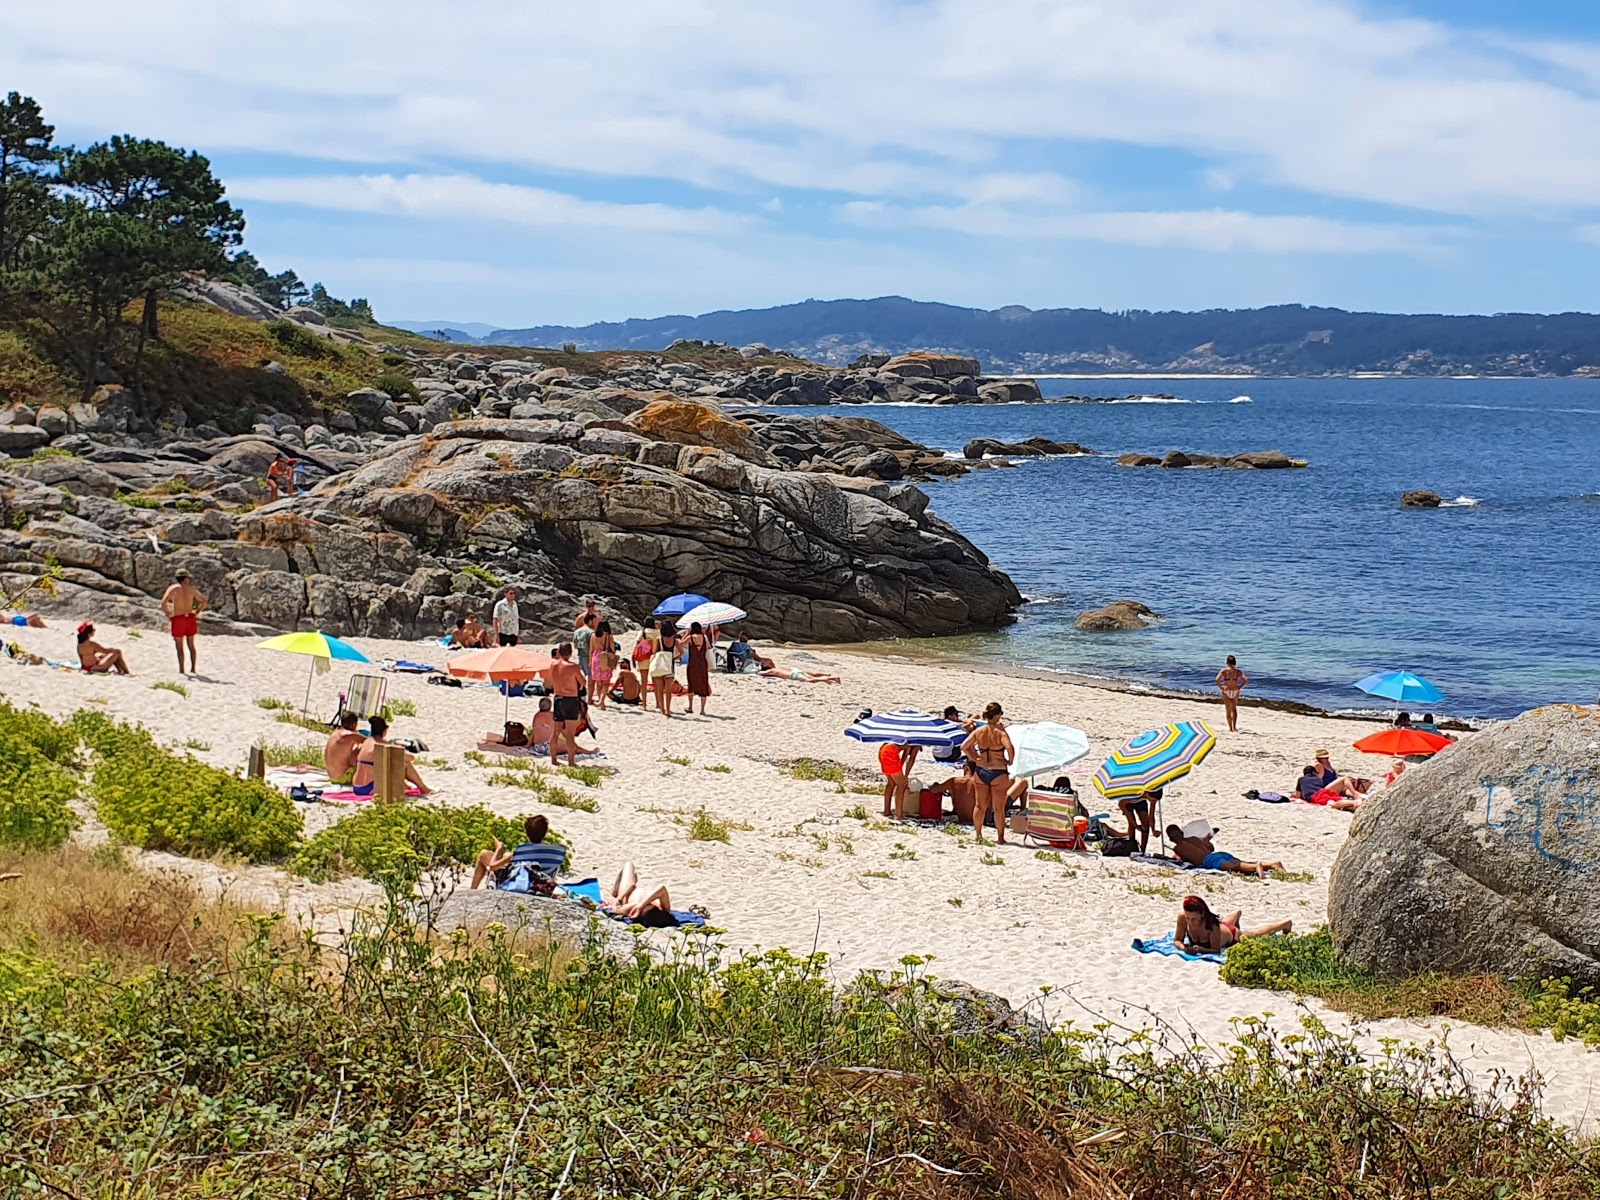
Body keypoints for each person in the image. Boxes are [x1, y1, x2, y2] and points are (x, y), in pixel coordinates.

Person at [961, 701, 1014, 844]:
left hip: (981, 770)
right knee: (998, 808)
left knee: (980, 805)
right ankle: (1000, 838)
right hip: (998, 770)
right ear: (997, 715)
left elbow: (964, 746)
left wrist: (974, 757)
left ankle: (978, 834)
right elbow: (1009, 748)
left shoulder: (979, 731)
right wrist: (1010, 761)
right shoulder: (1000, 731)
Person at [471, 815, 567, 889]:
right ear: (545, 833)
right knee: (507, 855)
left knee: (484, 854)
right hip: (542, 885)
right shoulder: (558, 851)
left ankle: (472, 890)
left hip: (518, 883)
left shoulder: (521, 850)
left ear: (527, 833)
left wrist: (498, 849)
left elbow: (492, 866)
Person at [1175, 895, 1292, 954]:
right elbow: (1177, 940)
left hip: (1232, 935)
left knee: (1255, 934)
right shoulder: (1182, 918)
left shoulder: (1211, 926)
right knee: (1225, 923)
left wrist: (1200, 949)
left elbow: (1216, 950)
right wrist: (1183, 948)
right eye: (1187, 918)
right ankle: (1236, 914)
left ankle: (1284, 924)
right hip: (1223, 926)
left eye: (1194, 919)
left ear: (1202, 914)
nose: (1190, 922)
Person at [350, 715, 432, 797]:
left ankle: (408, 786)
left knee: (390, 765)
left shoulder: (367, 742)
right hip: (369, 787)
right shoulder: (381, 746)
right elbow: (411, 757)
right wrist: (396, 746)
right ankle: (424, 788)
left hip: (357, 787)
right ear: (385, 731)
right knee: (406, 764)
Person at [1165, 824, 1284, 878]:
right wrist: (1206, 840)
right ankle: (1271, 865)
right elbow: (1210, 848)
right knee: (1241, 864)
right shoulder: (1193, 839)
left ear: (1170, 839)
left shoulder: (1178, 848)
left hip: (1209, 860)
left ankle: (1257, 866)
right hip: (1217, 854)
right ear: (1182, 832)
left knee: (1234, 867)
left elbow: (1188, 860)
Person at [543, 643, 586, 766]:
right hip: (570, 699)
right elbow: (583, 682)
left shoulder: (553, 665)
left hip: (558, 698)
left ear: (558, 653)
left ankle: (553, 760)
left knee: (555, 732)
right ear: (571, 653)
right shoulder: (573, 667)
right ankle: (571, 762)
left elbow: (549, 684)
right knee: (570, 734)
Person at [601, 861, 679, 926]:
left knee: (628, 864)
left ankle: (615, 891)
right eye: (651, 907)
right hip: (635, 889)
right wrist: (641, 905)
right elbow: (662, 888)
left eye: (642, 910)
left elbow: (615, 908)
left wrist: (621, 895)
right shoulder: (664, 909)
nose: (645, 906)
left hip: (627, 892)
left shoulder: (632, 908)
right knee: (630, 866)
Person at [160, 569, 207, 674]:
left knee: (179, 646)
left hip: (178, 618)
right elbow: (204, 601)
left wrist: (169, 615)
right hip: (190, 617)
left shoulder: (173, 589)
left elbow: (163, 602)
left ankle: (182, 669)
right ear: (186, 578)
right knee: (191, 645)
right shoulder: (192, 590)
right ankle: (193, 668)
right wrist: (197, 612)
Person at [879, 740, 919, 820]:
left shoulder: (907, 738)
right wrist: (905, 776)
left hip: (884, 749)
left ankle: (887, 811)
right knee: (902, 785)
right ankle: (898, 815)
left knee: (891, 783)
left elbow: (905, 755)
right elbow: (911, 759)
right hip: (890, 752)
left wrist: (900, 771)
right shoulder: (917, 740)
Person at [323, 713, 365, 784]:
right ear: (354, 725)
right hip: (342, 778)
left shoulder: (336, 733)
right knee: (360, 748)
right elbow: (370, 742)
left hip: (332, 776)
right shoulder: (349, 735)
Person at [650, 621, 678, 717]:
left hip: (660, 666)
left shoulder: (658, 639)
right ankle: (668, 709)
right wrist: (674, 658)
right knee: (668, 690)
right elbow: (681, 651)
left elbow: (654, 652)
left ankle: (662, 709)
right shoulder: (674, 640)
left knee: (660, 689)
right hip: (670, 666)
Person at [684, 621, 712, 715]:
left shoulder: (690, 637)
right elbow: (708, 648)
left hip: (693, 663)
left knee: (691, 683)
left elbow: (681, 644)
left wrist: (687, 633)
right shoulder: (704, 637)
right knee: (703, 683)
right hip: (703, 663)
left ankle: (690, 707)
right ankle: (702, 710)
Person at [1215, 655, 1248, 733]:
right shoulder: (1238, 671)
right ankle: (1234, 727)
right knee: (1234, 709)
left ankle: (1230, 728)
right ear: (1235, 662)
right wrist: (1240, 686)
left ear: (1227, 662)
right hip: (1235, 691)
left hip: (1226, 691)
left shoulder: (1224, 671)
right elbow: (1246, 680)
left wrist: (1221, 687)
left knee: (1228, 710)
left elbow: (1217, 680)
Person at [589, 619, 617, 710]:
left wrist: (590, 661)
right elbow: (612, 649)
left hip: (595, 658)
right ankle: (602, 701)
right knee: (606, 683)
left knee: (598, 682)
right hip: (604, 658)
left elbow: (591, 650)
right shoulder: (609, 637)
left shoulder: (593, 635)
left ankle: (599, 699)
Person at [633, 621, 658, 711]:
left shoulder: (641, 632)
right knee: (656, 681)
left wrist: (633, 656)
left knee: (644, 682)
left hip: (643, 658)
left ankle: (644, 704)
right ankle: (658, 703)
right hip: (653, 658)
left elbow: (637, 645)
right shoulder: (657, 633)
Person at [572, 612, 596, 690]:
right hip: (588, 656)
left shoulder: (577, 632)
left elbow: (575, 645)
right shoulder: (591, 632)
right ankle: (589, 692)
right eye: (593, 621)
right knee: (590, 675)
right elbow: (593, 646)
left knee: (581, 674)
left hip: (580, 655)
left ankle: (581, 689)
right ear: (590, 621)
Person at [758, 665, 841, 683]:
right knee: (813, 675)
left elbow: (761, 673)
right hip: (795, 670)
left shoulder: (771, 671)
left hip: (794, 675)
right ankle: (827, 676)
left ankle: (829, 679)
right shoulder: (778, 668)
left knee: (810, 680)